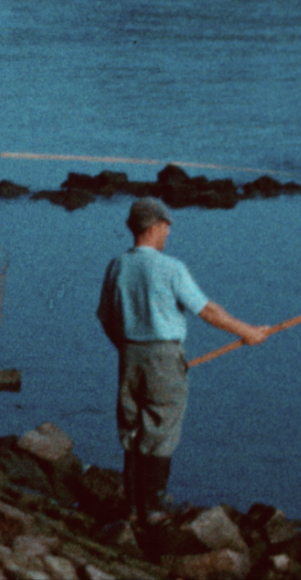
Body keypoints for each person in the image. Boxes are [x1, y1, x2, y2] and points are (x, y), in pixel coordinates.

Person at [97, 198, 270, 526]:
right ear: (152, 228)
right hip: (164, 355)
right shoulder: (171, 268)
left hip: (129, 355)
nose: (168, 233)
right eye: (166, 227)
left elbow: (104, 317)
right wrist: (247, 332)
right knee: (162, 427)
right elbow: (207, 310)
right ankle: (156, 507)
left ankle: (135, 507)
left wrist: (126, 348)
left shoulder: (116, 265)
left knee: (133, 428)